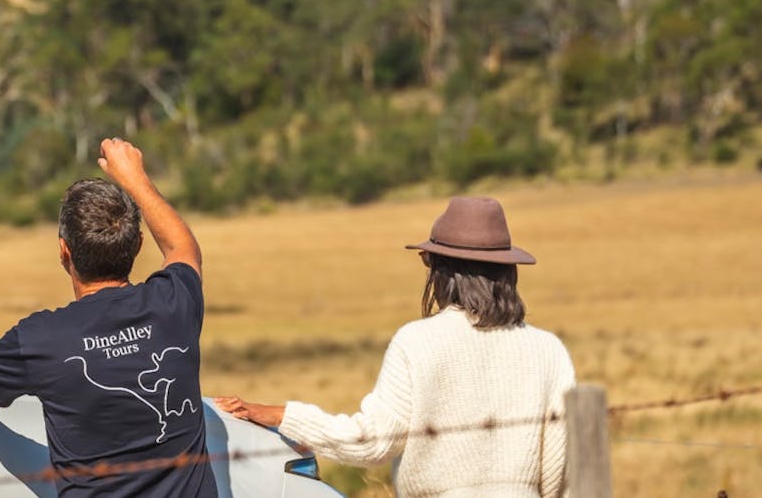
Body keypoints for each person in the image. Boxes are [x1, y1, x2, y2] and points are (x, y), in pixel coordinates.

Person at [215, 195, 575, 498]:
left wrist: (282, 416)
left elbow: (372, 442)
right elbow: (561, 467)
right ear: (507, 272)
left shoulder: (418, 341)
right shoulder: (549, 351)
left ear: (443, 271)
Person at [0, 138, 217, 498]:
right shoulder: (174, 303)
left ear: (64, 251)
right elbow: (183, 248)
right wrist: (135, 178)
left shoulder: (40, 338)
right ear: (137, 244)